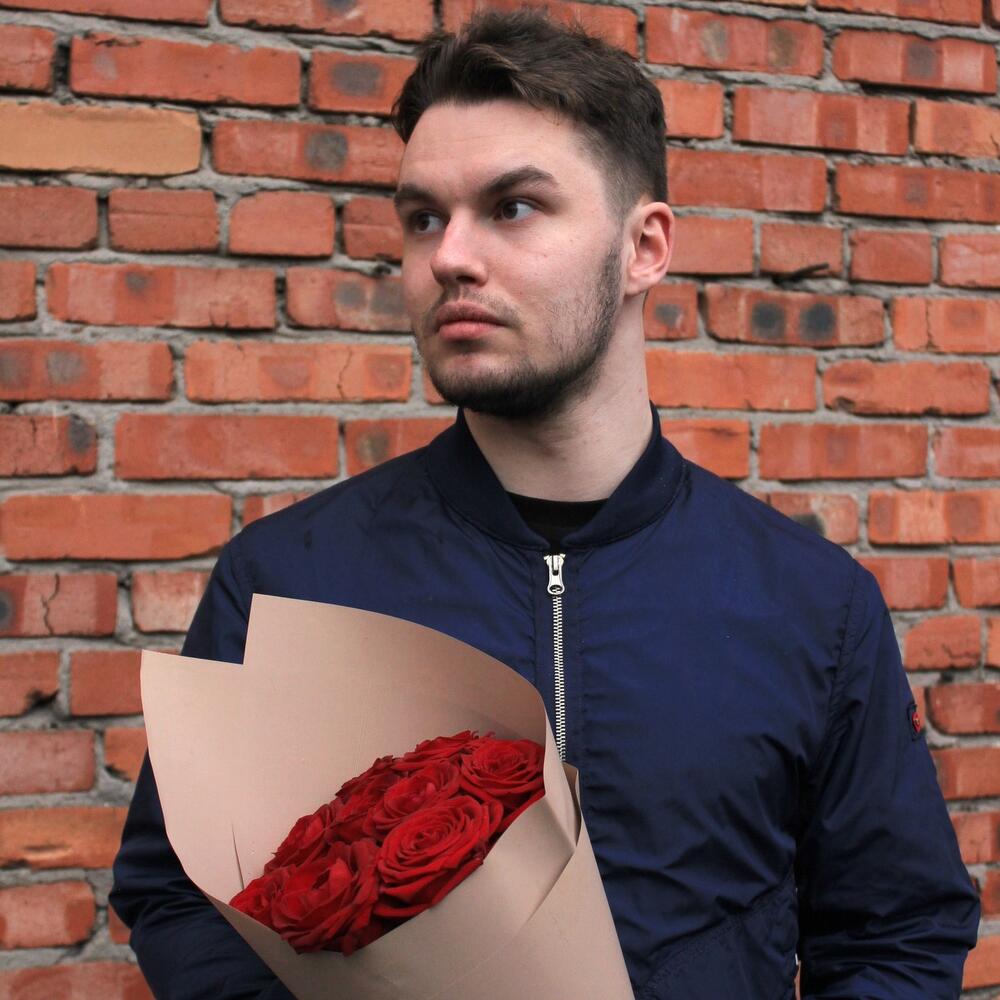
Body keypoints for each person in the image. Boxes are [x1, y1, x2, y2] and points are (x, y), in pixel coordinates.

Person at [111, 10, 980, 998]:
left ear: (644, 245)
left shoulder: (811, 605)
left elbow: (896, 932)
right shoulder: (287, 583)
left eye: (513, 207)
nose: (449, 257)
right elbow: (179, 894)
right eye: (423, 218)